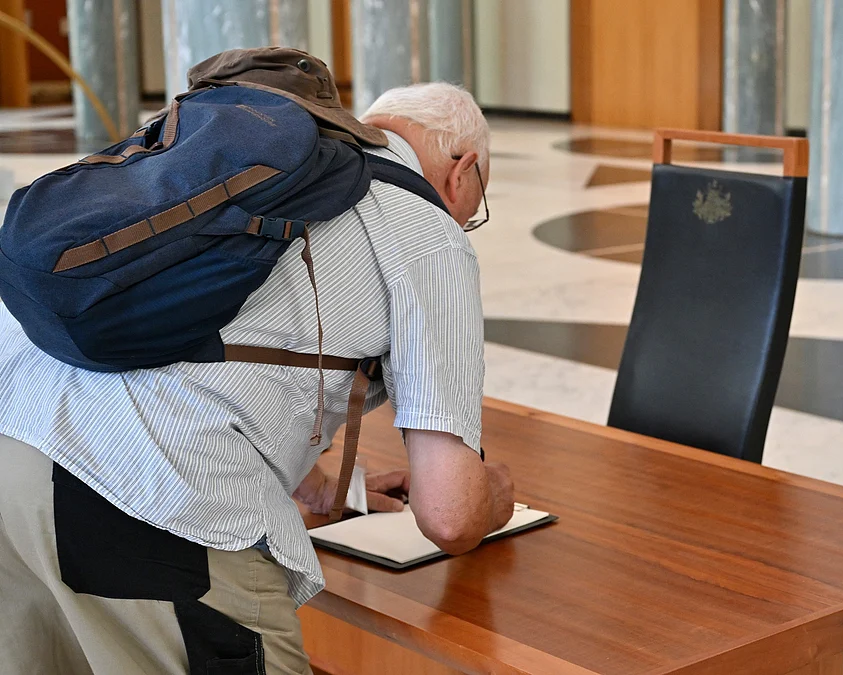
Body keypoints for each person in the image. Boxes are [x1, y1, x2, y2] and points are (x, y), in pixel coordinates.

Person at [0, 49, 512, 675]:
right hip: (152, 498)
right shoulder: (427, 232)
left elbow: (204, 333)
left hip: (14, 449)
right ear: (463, 172)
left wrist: (321, 485)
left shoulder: (270, 175)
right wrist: (494, 498)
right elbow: (451, 517)